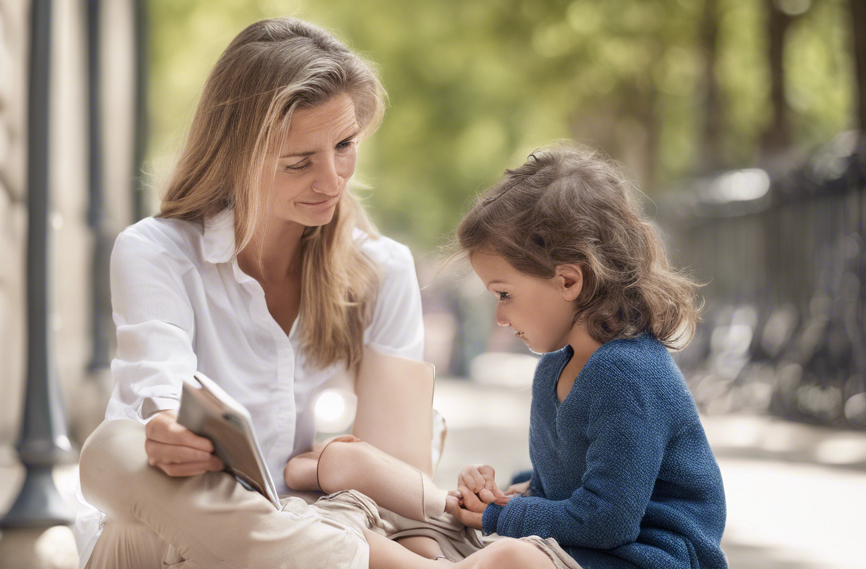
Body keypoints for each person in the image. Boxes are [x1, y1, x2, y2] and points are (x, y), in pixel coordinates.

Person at [75, 17, 429, 569]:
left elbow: (404, 488)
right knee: (114, 452)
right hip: (166, 534)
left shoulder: (384, 272)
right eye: (299, 162)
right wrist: (166, 432)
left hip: (323, 529)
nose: (332, 180)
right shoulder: (156, 253)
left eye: (344, 145)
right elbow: (159, 391)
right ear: (236, 157)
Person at [287, 143, 729, 569]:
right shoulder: (555, 368)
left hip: (650, 556)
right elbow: (559, 490)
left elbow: (607, 520)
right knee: (440, 531)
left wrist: (499, 518)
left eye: (504, 294)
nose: (499, 316)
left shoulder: (628, 375)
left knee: (508, 557)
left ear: (569, 281)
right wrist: (501, 496)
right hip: (592, 550)